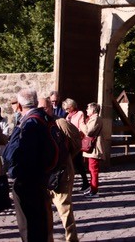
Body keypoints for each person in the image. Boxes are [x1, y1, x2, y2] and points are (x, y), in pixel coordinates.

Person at [3, 88, 54, 242]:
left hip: (28, 179)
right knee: (39, 220)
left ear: (19, 105)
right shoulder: (44, 118)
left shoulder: (29, 123)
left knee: (29, 224)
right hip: (40, 177)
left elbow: (14, 154)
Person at [39, 97, 80, 242]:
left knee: (65, 210)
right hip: (44, 174)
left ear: (51, 107)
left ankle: (71, 238)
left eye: (46, 108)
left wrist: (66, 158)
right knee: (45, 211)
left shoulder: (61, 122)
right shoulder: (38, 124)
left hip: (62, 172)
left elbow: (77, 141)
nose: (44, 111)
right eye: (41, 108)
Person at [63, 98, 89, 192]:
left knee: (78, 164)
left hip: (76, 142)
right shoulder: (68, 116)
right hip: (69, 142)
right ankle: (71, 183)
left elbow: (81, 126)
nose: (66, 111)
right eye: (65, 109)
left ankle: (85, 183)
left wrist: (82, 133)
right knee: (71, 164)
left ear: (72, 106)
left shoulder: (79, 113)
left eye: (67, 108)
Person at [80, 102, 104, 198]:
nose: (86, 110)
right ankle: (92, 188)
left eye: (88, 108)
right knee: (91, 169)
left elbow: (88, 132)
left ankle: (94, 190)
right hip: (91, 149)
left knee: (93, 169)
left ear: (93, 110)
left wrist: (81, 124)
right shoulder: (93, 118)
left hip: (94, 149)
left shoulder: (96, 118)